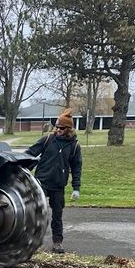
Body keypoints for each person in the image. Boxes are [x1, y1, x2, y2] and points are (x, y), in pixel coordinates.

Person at [26, 108, 82, 254]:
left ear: (69, 129)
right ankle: (31, 241)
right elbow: (29, 153)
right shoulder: (47, 140)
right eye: (56, 127)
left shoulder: (74, 146)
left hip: (58, 186)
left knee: (57, 215)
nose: (58, 130)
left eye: (61, 128)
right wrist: (21, 166)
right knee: (36, 213)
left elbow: (76, 168)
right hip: (41, 183)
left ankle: (57, 242)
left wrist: (76, 188)